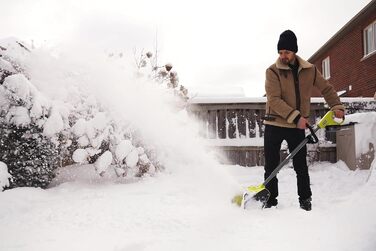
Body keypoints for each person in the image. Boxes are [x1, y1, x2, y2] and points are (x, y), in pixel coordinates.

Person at [263, 30, 345, 211]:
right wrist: (296, 117)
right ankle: (270, 201)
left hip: (296, 126)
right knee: (271, 166)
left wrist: (337, 106)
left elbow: (327, 89)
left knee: (301, 166)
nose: (283, 56)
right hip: (274, 124)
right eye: (280, 52)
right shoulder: (272, 71)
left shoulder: (310, 70)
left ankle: (305, 201)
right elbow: (274, 100)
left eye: (287, 52)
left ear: (294, 51)